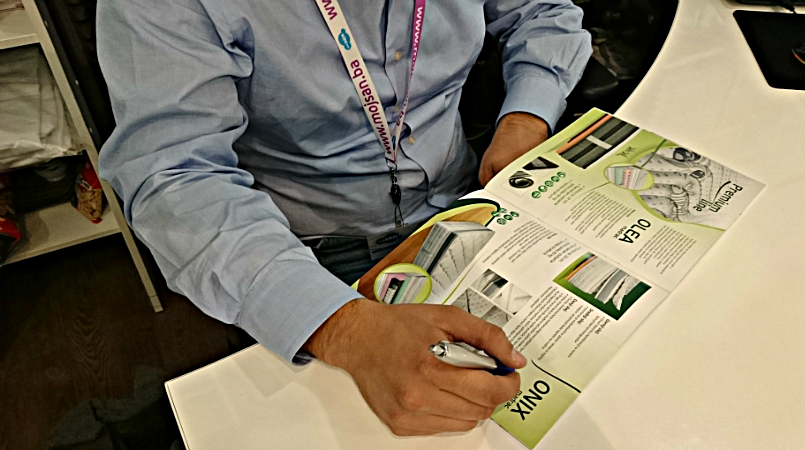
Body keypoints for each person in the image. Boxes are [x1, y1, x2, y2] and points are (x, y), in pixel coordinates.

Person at [96, 0, 592, 436]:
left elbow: (544, 12)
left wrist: (525, 118)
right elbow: (174, 178)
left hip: (470, 198)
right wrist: (347, 331)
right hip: (314, 257)